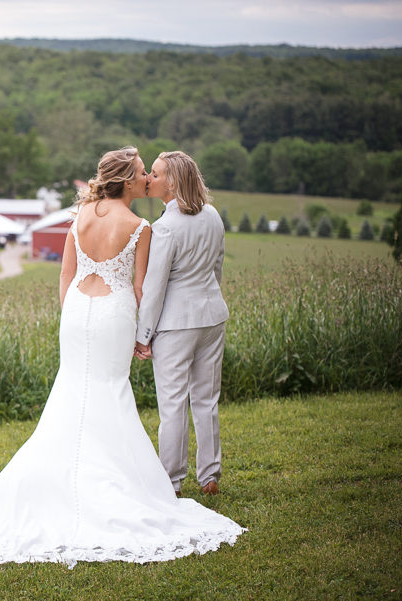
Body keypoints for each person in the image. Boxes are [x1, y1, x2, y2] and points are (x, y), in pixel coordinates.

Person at [0, 147, 244, 568]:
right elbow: (140, 289)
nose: (146, 180)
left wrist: (72, 314)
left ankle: (69, 480)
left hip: (76, 312)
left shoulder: (80, 215)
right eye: (140, 173)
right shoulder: (142, 225)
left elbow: (66, 273)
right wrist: (141, 333)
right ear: (126, 180)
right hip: (117, 313)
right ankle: (174, 479)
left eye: (149, 173)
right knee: (112, 390)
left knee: (72, 389)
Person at [134, 151, 229, 497]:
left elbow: (154, 288)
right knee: (206, 399)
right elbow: (216, 270)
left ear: (172, 183)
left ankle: (171, 482)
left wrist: (143, 336)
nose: (149, 180)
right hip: (212, 316)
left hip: (176, 325)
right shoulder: (214, 216)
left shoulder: (165, 227)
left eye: (155, 175)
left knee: (172, 403)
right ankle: (210, 476)